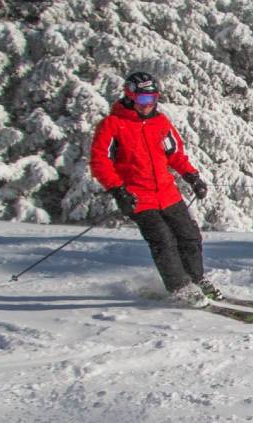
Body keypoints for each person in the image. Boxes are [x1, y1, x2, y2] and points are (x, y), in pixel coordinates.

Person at [89, 71, 218, 308]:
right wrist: (118, 190)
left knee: (189, 235)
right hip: (138, 197)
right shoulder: (113, 125)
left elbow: (175, 154)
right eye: (142, 100)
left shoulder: (160, 123)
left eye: (152, 99)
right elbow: (100, 162)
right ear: (130, 97)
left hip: (167, 193)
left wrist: (192, 177)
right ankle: (180, 288)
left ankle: (197, 279)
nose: (148, 105)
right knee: (163, 240)